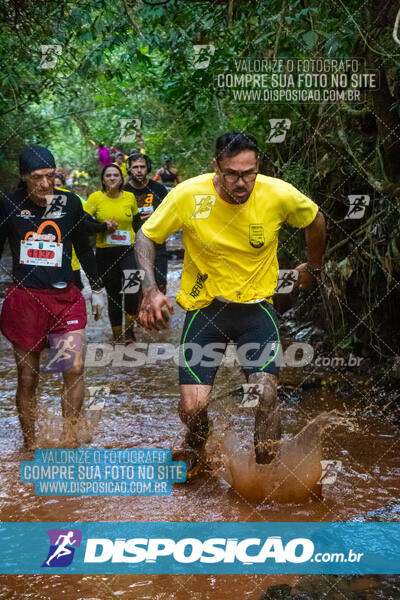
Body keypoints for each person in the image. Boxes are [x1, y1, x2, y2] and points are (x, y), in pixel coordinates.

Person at [135, 132, 326, 478]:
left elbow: (315, 219)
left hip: (257, 312)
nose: (242, 182)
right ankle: (198, 445)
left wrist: (312, 267)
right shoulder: (188, 195)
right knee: (193, 409)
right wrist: (150, 289)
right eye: (232, 174)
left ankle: (265, 477)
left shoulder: (278, 194)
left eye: (249, 173)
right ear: (216, 167)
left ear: (258, 167)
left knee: (266, 397)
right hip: (206, 312)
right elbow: (147, 235)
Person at [0, 145, 106, 449]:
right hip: (25, 300)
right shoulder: (7, 204)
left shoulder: (70, 203)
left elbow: (83, 247)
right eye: (37, 178)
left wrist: (97, 288)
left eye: (51, 176)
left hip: (65, 298)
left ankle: (70, 441)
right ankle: (31, 445)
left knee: (72, 368)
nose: (46, 184)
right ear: (23, 177)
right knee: (28, 378)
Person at [85, 164, 142, 343]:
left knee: (133, 288)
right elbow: (83, 224)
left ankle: (130, 330)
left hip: (128, 250)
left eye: (115, 175)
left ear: (121, 179)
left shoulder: (130, 197)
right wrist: (103, 227)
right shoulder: (95, 198)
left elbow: (137, 223)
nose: (112, 178)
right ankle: (117, 334)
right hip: (105, 253)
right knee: (114, 295)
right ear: (103, 179)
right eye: (108, 175)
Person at [54, 172, 117, 289]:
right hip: (50, 259)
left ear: (64, 185)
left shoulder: (73, 199)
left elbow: (86, 219)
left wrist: (104, 226)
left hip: (72, 258)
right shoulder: (43, 200)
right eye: (53, 185)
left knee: (76, 288)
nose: (56, 188)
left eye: (59, 185)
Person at [124, 152, 169, 294]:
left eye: (142, 167)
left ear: (147, 168)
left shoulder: (159, 189)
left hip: (157, 244)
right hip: (129, 247)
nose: (138, 170)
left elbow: (171, 214)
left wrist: (157, 215)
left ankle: (158, 315)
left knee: (160, 286)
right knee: (132, 290)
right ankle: (135, 316)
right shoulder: (123, 191)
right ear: (129, 169)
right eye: (135, 167)